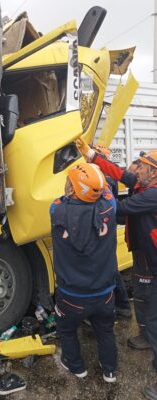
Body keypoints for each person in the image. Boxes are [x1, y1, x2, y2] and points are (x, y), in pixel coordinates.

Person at [76, 138, 157, 399]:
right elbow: (121, 174)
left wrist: (99, 189)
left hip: (150, 256)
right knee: (145, 303)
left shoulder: (153, 193)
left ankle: (150, 338)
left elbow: (119, 209)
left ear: (153, 172)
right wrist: (92, 156)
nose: (136, 169)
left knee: (147, 306)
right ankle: (147, 333)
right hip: (145, 251)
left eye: (141, 165)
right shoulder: (146, 184)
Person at [50, 163, 118, 383]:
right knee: (106, 332)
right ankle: (109, 371)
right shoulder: (109, 207)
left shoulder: (57, 210)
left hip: (71, 294)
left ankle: (76, 366)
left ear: (72, 187)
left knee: (67, 331)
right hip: (104, 291)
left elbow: (63, 198)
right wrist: (96, 173)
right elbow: (105, 191)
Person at [91, 144, 132, 319]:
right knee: (108, 265)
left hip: (105, 223)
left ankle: (122, 305)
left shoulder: (103, 177)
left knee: (108, 266)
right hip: (107, 222)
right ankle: (120, 305)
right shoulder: (105, 174)